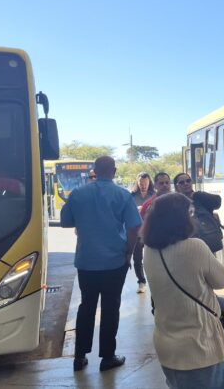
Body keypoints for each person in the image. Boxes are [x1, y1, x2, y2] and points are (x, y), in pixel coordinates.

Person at [60, 156, 142, 373]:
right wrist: (129, 253)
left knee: (86, 306)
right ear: (114, 171)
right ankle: (107, 357)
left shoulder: (78, 193)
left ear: (94, 171)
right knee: (110, 307)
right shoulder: (123, 195)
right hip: (114, 261)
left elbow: (66, 221)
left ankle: (79, 357)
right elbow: (134, 227)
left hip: (87, 261)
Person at [143, 193, 224, 389]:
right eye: (190, 214)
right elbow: (222, 280)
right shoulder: (195, 247)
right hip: (199, 348)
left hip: (167, 346)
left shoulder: (149, 250)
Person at [130, 172, 155, 294]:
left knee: (154, 257)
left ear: (149, 182)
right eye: (141, 183)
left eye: (145, 183)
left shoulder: (154, 195)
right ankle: (141, 282)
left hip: (152, 231)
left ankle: (155, 281)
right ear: (137, 183)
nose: (143, 185)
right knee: (137, 258)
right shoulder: (131, 196)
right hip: (137, 231)